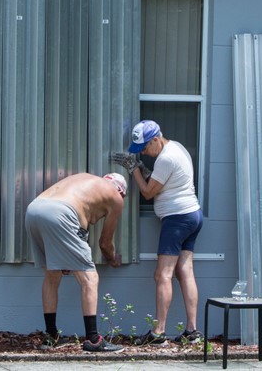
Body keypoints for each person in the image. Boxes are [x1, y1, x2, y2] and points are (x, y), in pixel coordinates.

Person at [112, 120, 204, 345]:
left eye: (144, 147)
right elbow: (164, 181)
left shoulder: (165, 158)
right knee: (185, 272)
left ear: (156, 139)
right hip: (192, 214)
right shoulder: (177, 148)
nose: (143, 152)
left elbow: (147, 192)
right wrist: (144, 169)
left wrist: (133, 169)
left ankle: (158, 333)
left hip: (177, 219)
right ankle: (192, 331)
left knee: (162, 275)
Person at [25, 172, 127, 352]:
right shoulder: (116, 197)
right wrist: (113, 258)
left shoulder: (85, 180)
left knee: (51, 275)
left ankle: (51, 336)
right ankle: (94, 339)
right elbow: (104, 243)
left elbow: (79, 227)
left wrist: (67, 258)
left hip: (34, 210)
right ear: (121, 191)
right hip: (61, 213)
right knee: (90, 279)